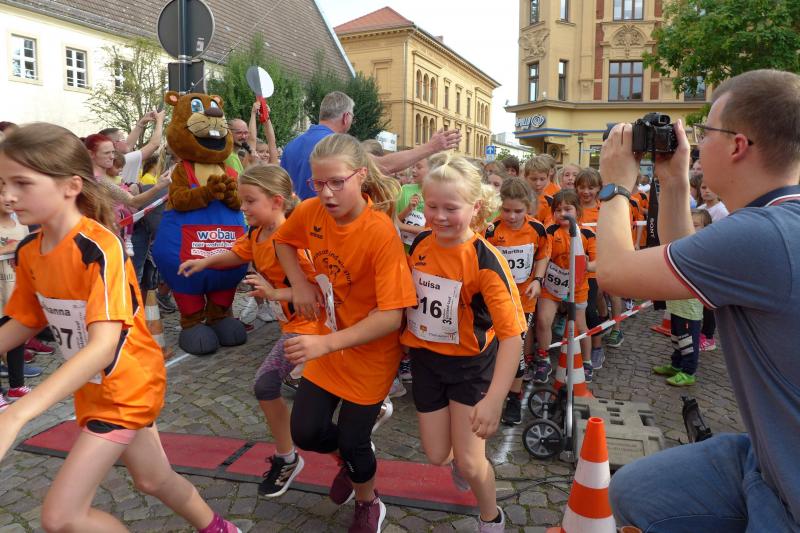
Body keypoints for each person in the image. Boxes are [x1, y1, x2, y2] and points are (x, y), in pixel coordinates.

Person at [0, 123, 241, 533]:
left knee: (62, 517)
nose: (7, 196)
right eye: (3, 183)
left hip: (126, 387)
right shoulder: (29, 250)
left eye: (22, 183)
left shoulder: (99, 247)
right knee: (153, 479)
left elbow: (103, 346)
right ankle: (222, 528)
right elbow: (25, 319)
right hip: (95, 388)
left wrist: (17, 414)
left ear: (71, 186)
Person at [598, 69, 800, 532]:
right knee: (637, 491)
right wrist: (674, 183)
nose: (696, 142)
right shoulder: (774, 220)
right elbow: (687, 269)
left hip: (790, 492)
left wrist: (616, 186)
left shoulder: (765, 235)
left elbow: (613, 272)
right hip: (766, 457)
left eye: (705, 131)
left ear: (737, 146)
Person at [274, 133, 417, 533]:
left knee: (354, 442)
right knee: (305, 431)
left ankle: (369, 501)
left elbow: (390, 317)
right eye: (318, 183)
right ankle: (353, 461)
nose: (326, 193)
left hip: (370, 352)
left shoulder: (380, 232)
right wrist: (299, 284)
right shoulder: (311, 211)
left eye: (337, 182)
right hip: (330, 342)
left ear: (361, 176)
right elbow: (283, 240)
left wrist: (324, 343)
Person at [179, 164, 318, 498]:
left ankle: (291, 457)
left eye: (250, 201)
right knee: (291, 397)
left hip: (310, 328)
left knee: (269, 386)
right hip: (291, 327)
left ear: (277, 201)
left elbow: (316, 294)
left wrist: (273, 293)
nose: (243, 207)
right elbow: (237, 253)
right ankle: (303, 455)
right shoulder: (257, 234)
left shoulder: (293, 241)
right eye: (242, 200)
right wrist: (205, 261)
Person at [401, 155, 524, 532]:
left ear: (476, 208)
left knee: (471, 462)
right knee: (438, 455)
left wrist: (495, 399)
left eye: (451, 208)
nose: (439, 216)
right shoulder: (421, 242)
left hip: (471, 366)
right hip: (426, 360)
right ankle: (459, 461)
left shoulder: (486, 261)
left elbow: (512, 337)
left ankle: (491, 517)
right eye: (432, 206)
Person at [281, 91, 461, 200]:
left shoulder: (290, 147)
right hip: (330, 232)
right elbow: (383, 165)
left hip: (298, 232)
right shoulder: (340, 147)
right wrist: (431, 147)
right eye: (352, 116)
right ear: (346, 117)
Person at [484, 177, 549, 425]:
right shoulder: (491, 229)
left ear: (528, 207)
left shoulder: (537, 229)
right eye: (506, 210)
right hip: (493, 301)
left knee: (516, 352)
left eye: (518, 211)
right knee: (491, 349)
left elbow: (543, 255)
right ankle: (488, 392)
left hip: (523, 302)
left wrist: (538, 280)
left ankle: (514, 397)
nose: (511, 216)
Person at [534, 190, 597, 383]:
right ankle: (543, 359)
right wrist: (538, 278)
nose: (562, 213)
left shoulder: (587, 233)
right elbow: (544, 256)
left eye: (567, 209)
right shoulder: (550, 231)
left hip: (578, 288)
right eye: (558, 210)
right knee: (543, 320)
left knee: (580, 325)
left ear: (578, 211)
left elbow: (598, 262)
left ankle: (586, 361)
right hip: (552, 286)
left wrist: (587, 265)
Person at [653, 209, 711, 387]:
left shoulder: (703, 251)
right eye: (688, 224)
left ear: (707, 228)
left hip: (690, 309)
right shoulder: (683, 245)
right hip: (676, 304)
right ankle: (676, 365)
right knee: (676, 337)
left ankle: (688, 372)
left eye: (696, 225)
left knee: (688, 340)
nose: (690, 228)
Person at [100, 111, 165, 185]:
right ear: (115, 144)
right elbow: (154, 144)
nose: (126, 141)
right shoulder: (125, 160)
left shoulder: (106, 162)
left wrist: (141, 123)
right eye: (123, 139)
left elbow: (128, 145)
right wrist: (160, 121)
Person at [397, 157, 430, 252]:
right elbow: (395, 220)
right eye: (413, 167)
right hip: (403, 250)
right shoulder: (405, 189)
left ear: (432, 169)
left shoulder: (437, 193)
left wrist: (402, 226)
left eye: (419, 167)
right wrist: (408, 209)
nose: (413, 170)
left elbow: (433, 230)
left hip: (425, 251)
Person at [522, 157, 554, 224]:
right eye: (533, 179)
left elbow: (549, 224)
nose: (538, 183)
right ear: (525, 177)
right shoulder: (518, 198)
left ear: (548, 178)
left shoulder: (550, 202)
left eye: (542, 179)